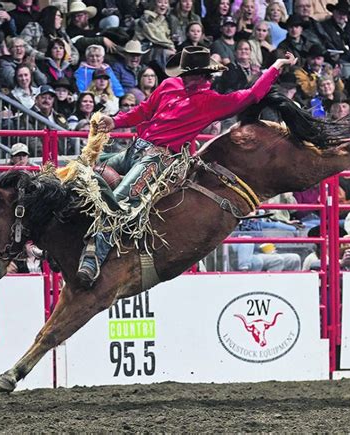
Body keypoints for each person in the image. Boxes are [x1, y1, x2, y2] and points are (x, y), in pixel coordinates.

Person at [76, 46, 297, 286]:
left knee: (121, 199)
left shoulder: (211, 101)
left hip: (159, 158)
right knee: (79, 171)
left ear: (202, 75)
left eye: (190, 73)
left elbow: (253, 95)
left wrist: (276, 67)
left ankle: (93, 257)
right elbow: (144, 111)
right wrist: (115, 120)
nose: (185, 77)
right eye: (184, 72)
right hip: (135, 148)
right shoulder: (169, 86)